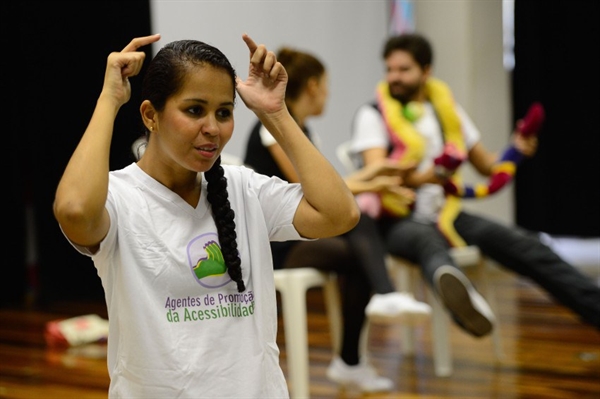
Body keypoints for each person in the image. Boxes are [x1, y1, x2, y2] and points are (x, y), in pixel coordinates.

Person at [52, 33, 361, 398]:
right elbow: (73, 210)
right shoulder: (119, 198)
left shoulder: (244, 189)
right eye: (194, 110)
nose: (212, 128)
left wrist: (275, 113)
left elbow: (341, 214)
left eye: (224, 112)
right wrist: (109, 100)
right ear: (151, 115)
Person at [350, 32, 600, 338]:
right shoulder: (372, 113)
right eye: (389, 70)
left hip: (448, 212)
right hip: (397, 219)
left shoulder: (447, 111)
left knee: (528, 246)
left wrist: (515, 150)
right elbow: (378, 174)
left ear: (426, 71)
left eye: (403, 70)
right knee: (429, 242)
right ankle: (464, 301)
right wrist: (425, 178)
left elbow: (487, 166)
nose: (394, 77)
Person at [243, 46, 431, 393]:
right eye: (327, 86)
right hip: (275, 242)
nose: (328, 94)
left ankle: (350, 361)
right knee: (355, 226)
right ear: (313, 86)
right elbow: (305, 190)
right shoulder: (274, 130)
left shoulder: (300, 130)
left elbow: (327, 191)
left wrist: (376, 178)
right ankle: (383, 298)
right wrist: (373, 178)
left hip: (299, 234)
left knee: (357, 250)